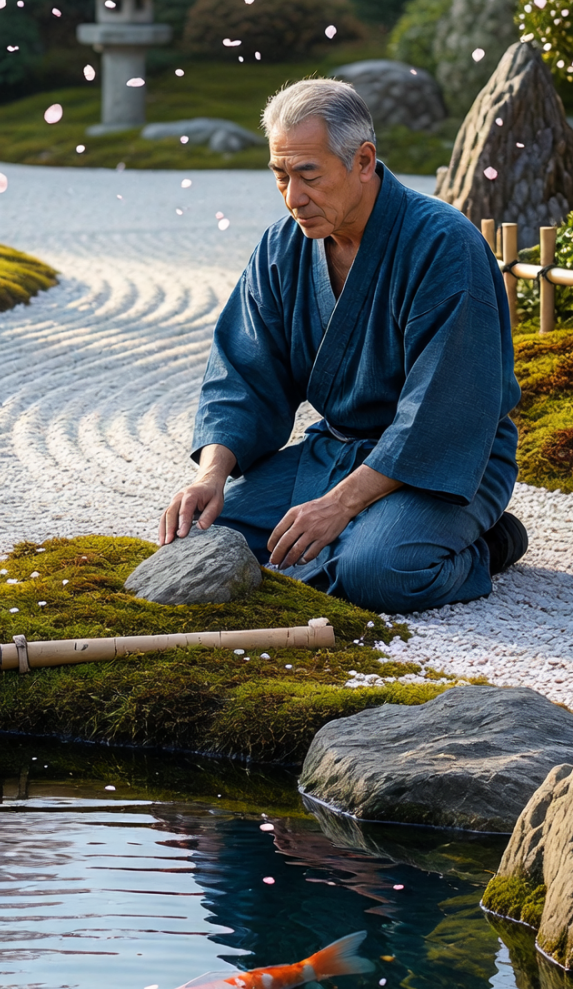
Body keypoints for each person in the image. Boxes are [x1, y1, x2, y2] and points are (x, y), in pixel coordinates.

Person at [160, 74, 527, 614]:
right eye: (280, 176)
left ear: (362, 161)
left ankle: (491, 542)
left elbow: (442, 411)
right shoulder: (282, 247)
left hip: (444, 465)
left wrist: (337, 507)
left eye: (308, 175)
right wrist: (210, 474)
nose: (293, 198)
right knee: (209, 538)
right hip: (334, 451)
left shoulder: (444, 245)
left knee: (378, 572)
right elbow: (243, 370)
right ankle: (360, 536)